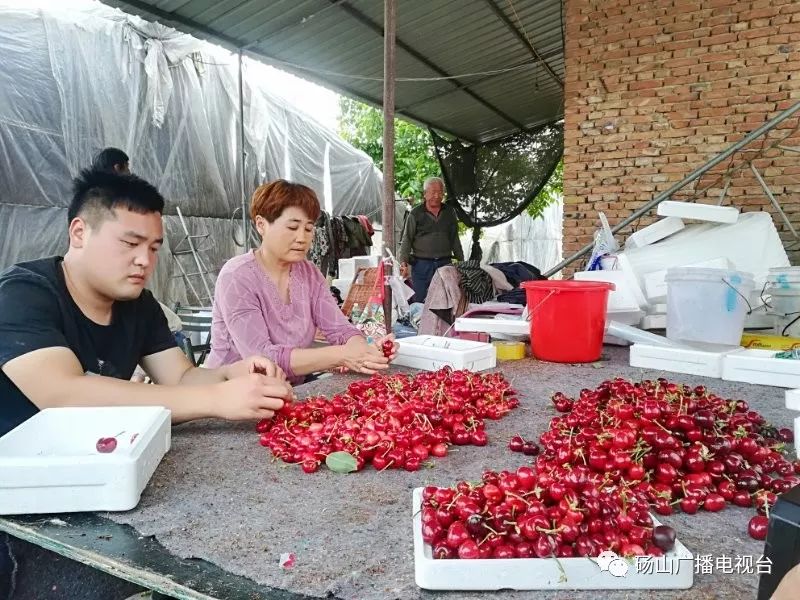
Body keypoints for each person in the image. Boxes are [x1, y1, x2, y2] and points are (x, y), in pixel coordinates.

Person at [0, 169, 292, 438]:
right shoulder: (23, 293)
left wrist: (229, 374)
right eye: (130, 243)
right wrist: (216, 398)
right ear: (79, 233)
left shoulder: (139, 305)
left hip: (101, 460)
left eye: (153, 248)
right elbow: (61, 394)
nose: (145, 260)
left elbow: (179, 377)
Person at [205, 179, 396, 383]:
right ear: (261, 225)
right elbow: (262, 357)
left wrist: (364, 350)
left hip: (288, 389)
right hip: (231, 394)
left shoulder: (309, 273)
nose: (302, 238)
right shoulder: (237, 276)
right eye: (293, 227)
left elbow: (339, 329)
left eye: (308, 228)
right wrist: (342, 355)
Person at [398, 176, 464, 303]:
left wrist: (461, 261)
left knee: (445, 300)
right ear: (425, 194)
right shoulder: (415, 213)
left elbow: (455, 238)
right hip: (421, 265)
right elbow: (407, 239)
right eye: (433, 192)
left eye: (440, 192)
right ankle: (420, 322)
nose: (437, 195)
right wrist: (403, 262)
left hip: (444, 263)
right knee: (421, 300)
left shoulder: (449, 212)